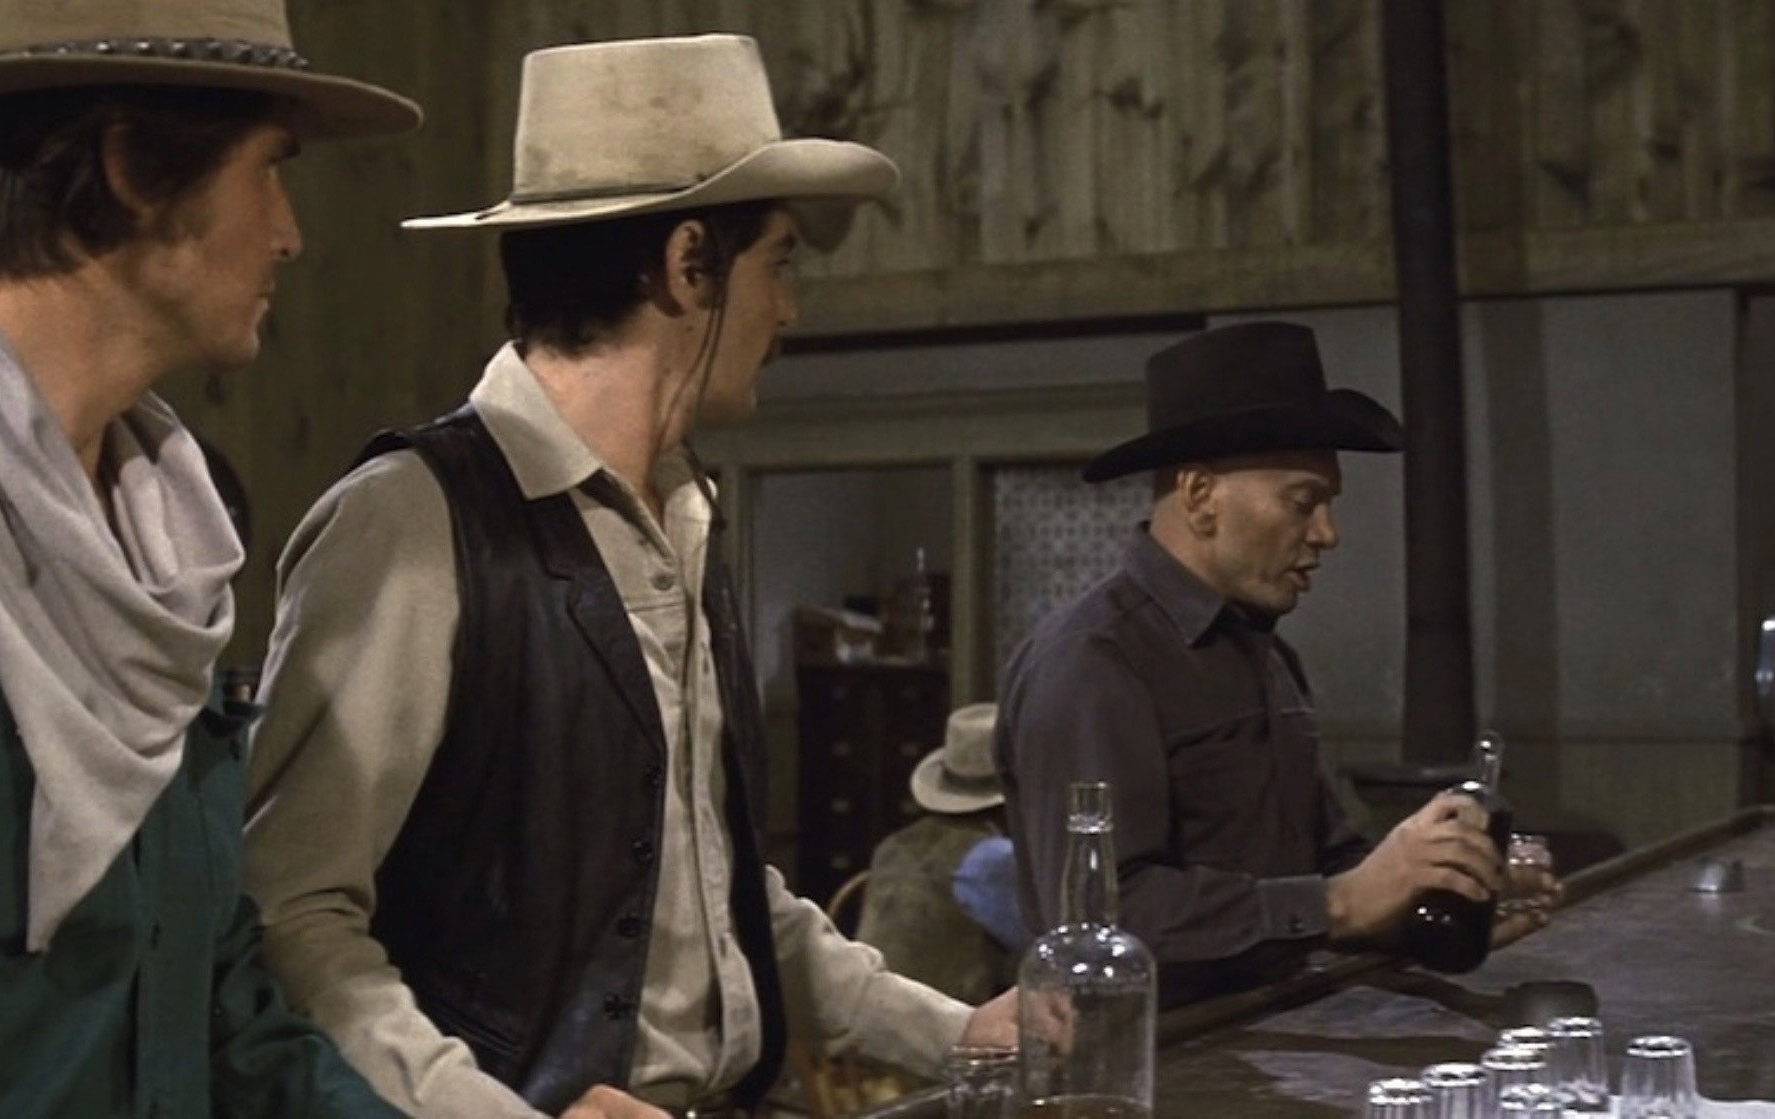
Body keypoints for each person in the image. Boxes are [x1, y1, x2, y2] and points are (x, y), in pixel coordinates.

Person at [245, 33, 1017, 1119]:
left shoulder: (683, 517)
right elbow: (294, 914)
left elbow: (718, 901)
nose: (790, 311)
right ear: (689, 262)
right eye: (780, 263)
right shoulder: (413, 519)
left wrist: (962, 1034)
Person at [0, 1, 420, 1114]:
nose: (287, 234)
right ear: (132, 169)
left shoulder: (173, 530)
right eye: (269, 170)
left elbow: (222, 1009)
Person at [994, 321, 1557, 1009]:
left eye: (1328, 504)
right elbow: (1100, 921)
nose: (1327, 533)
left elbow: (1323, 867)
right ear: (1199, 496)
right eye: (1302, 501)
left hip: (1272, 1033)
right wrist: (1341, 902)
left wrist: (1439, 895)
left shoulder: (1263, 653)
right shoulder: (1093, 663)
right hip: (1153, 1056)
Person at [856, 704, 1020, 1005]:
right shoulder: (992, 860)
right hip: (946, 1022)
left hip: (872, 1016)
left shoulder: (893, 845)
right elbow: (1042, 945)